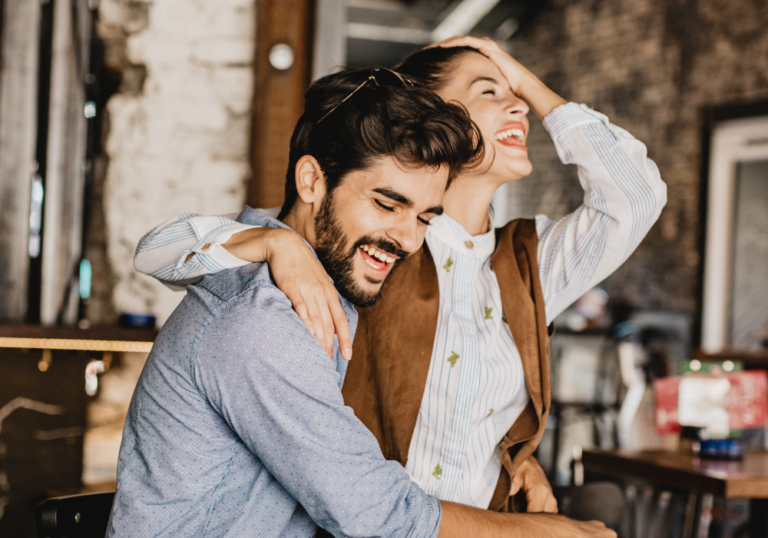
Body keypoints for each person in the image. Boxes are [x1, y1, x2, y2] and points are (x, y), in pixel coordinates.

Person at [137, 37, 665, 520]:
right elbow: (161, 251)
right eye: (488, 89)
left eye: (516, 90)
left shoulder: (529, 262)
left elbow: (636, 197)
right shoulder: (367, 241)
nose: (519, 104)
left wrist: (521, 77)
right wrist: (276, 243)